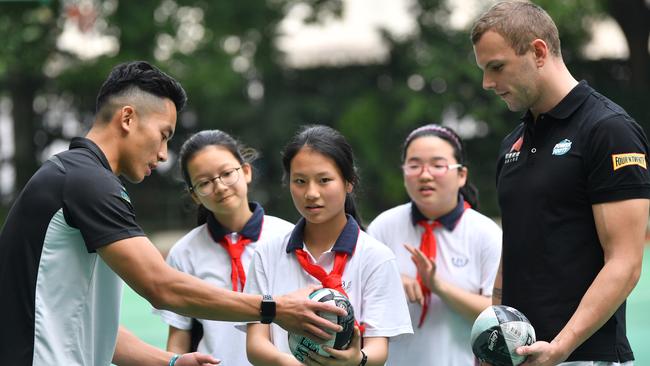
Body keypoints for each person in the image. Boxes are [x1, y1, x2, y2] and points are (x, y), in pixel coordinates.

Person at [0, 61, 345, 366]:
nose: (164, 155)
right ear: (128, 118)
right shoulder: (86, 180)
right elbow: (161, 286)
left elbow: (91, 326)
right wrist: (275, 308)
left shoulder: (78, 176)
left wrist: (171, 362)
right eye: (164, 136)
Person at [471, 2, 650, 365]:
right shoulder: (512, 144)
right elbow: (514, 248)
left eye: (497, 67)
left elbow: (626, 262)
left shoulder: (609, 130)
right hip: (521, 356)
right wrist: (494, 336)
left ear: (538, 52)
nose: (487, 83)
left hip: (585, 356)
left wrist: (561, 346)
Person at [244, 125, 413, 366]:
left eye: (324, 180)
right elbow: (256, 343)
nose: (311, 193)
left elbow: (378, 347)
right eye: (300, 181)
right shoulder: (267, 253)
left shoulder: (376, 257)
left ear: (349, 182)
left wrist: (357, 360)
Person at [153, 129, 294, 364]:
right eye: (204, 182)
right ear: (195, 195)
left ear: (246, 171)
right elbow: (179, 337)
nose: (219, 187)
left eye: (227, 173)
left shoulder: (287, 237)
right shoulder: (185, 252)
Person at [367, 123, 502, 365]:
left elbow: (496, 315)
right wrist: (391, 281)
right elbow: (360, 297)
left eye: (438, 165)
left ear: (461, 175)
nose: (425, 175)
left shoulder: (486, 233)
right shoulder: (383, 227)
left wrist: (438, 286)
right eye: (414, 165)